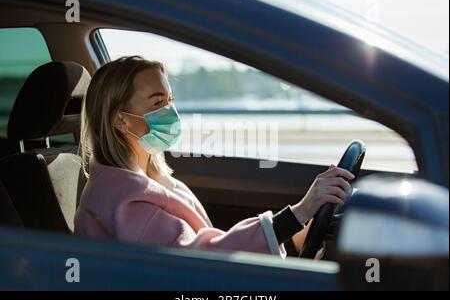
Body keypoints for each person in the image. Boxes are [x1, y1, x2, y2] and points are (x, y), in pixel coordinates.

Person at [74, 56, 354, 258]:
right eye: (157, 103)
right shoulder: (121, 200)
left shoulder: (149, 179)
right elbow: (199, 259)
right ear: (121, 121)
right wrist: (298, 213)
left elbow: (204, 244)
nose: (170, 112)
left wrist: (294, 237)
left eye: (170, 100)